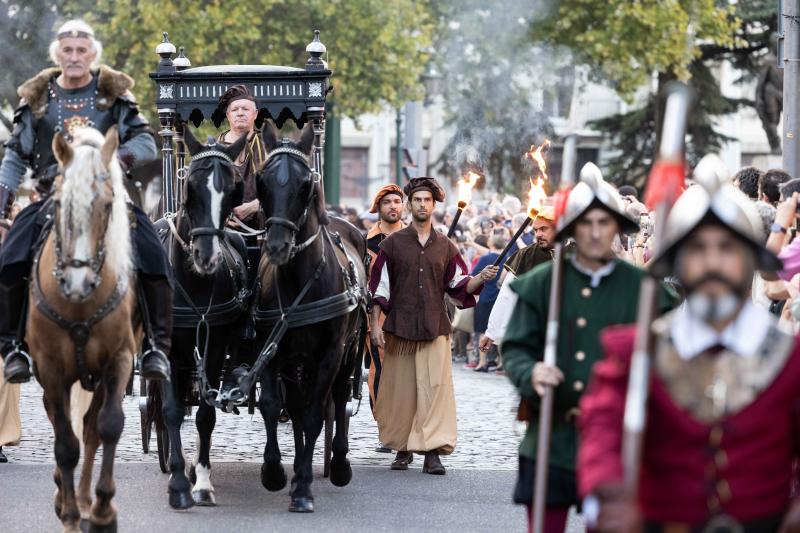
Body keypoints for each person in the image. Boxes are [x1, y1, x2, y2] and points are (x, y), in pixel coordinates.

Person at [577, 176, 800, 531]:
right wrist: (609, 496)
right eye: (697, 249)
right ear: (678, 262)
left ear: (747, 259)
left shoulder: (791, 358)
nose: (712, 262)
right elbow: (602, 435)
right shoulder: (635, 354)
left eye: (726, 248)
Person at [501, 164, 676, 532]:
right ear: (572, 229)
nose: (596, 232)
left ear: (616, 227)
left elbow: (673, 349)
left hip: (620, 440)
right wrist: (530, 372)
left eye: (604, 222)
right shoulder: (542, 283)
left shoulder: (643, 289)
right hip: (553, 436)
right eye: (586, 223)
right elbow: (516, 348)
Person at [0, 19, 171, 383]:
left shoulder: (114, 95)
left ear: (93, 54)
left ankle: (156, 346)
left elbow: (145, 144)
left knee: (154, 256)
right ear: (57, 54)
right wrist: (2, 203)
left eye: (81, 50)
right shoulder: (37, 97)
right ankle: (14, 347)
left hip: (105, 197)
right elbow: (15, 155)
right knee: (10, 258)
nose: (74, 56)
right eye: (67, 50)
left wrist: (109, 160)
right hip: (53, 196)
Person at [369, 177, 499, 474]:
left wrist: (482, 278)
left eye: (427, 200)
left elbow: (458, 285)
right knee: (401, 392)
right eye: (417, 200)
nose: (423, 204)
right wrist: (375, 326)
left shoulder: (446, 245)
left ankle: (432, 452)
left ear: (434, 205)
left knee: (434, 390)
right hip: (400, 326)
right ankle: (402, 449)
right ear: (409, 205)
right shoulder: (392, 245)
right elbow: (380, 288)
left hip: (434, 326)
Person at [364, 184, 405, 452]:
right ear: (379, 207)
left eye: (397, 201)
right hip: (377, 315)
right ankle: (387, 428)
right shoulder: (366, 240)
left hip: (407, 313)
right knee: (379, 372)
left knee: (407, 373)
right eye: (387, 202)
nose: (393, 206)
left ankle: (406, 428)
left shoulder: (414, 236)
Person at [215, 84, 266, 229]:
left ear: (255, 114)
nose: (240, 113)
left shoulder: (267, 146)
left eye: (245, 109)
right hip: (220, 230)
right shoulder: (212, 149)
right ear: (228, 115)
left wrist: (254, 206)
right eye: (235, 109)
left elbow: (283, 190)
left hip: (264, 230)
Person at [471, 235, 505, 372]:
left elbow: (473, 275)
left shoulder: (485, 259)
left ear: (491, 243)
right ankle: (501, 363)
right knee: (500, 329)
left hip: (485, 296)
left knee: (482, 329)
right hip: (500, 296)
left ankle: (482, 362)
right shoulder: (508, 257)